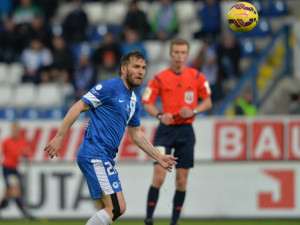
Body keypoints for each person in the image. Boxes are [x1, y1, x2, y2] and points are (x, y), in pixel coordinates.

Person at [44, 50, 177, 225]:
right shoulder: (108, 87)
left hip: (101, 156)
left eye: (143, 68)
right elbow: (78, 106)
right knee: (117, 208)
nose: (141, 72)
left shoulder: (134, 101)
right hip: (95, 155)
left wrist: (158, 156)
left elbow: (136, 133)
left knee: (104, 211)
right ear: (123, 69)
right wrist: (60, 136)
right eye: (136, 67)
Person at [142, 39, 212, 225]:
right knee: (159, 175)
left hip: (185, 132)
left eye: (183, 53)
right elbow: (147, 102)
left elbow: (208, 102)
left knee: (181, 180)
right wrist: (159, 115)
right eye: (176, 52)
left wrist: (194, 110)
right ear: (171, 54)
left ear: (187, 55)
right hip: (165, 131)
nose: (179, 56)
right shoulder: (160, 78)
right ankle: (148, 219)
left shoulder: (197, 77)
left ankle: (174, 222)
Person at [0, 122, 33, 219]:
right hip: (7, 168)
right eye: (13, 130)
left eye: (16, 130)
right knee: (16, 190)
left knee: (7, 195)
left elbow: (26, 154)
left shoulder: (22, 141)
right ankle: (25, 214)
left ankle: (23, 212)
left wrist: (26, 155)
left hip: (15, 169)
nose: (14, 132)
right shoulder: (7, 141)